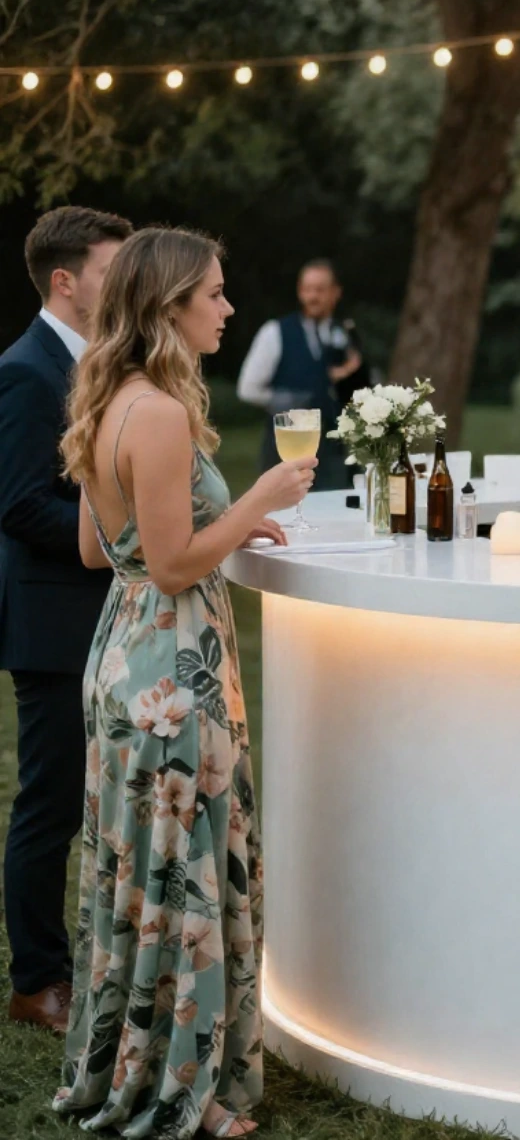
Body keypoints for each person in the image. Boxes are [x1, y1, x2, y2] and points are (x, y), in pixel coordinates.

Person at [54, 227, 317, 1140]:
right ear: (169, 307)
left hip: (123, 654)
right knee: (181, 881)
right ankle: (188, 1091)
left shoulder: (110, 398)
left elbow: (105, 550)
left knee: (142, 873)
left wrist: (224, 530)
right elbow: (170, 567)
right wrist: (254, 504)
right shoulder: (160, 414)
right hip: (174, 672)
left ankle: (141, 1057)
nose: (228, 307)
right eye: (213, 293)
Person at [0, 206, 132, 1034]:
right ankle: (36, 981)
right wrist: (111, 544)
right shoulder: (26, 370)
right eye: (109, 273)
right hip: (52, 621)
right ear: (66, 280)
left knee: (96, 798)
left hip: (102, 613)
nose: (120, 287)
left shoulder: (97, 364)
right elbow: (16, 505)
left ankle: (91, 959)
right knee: (50, 803)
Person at [235, 259, 358, 490]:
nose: (312, 297)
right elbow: (248, 389)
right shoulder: (275, 332)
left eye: (320, 290)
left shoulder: (344, 334)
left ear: (335, 293)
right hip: (288, 448)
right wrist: (291, 403)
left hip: (333, 451)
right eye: (306, 289)